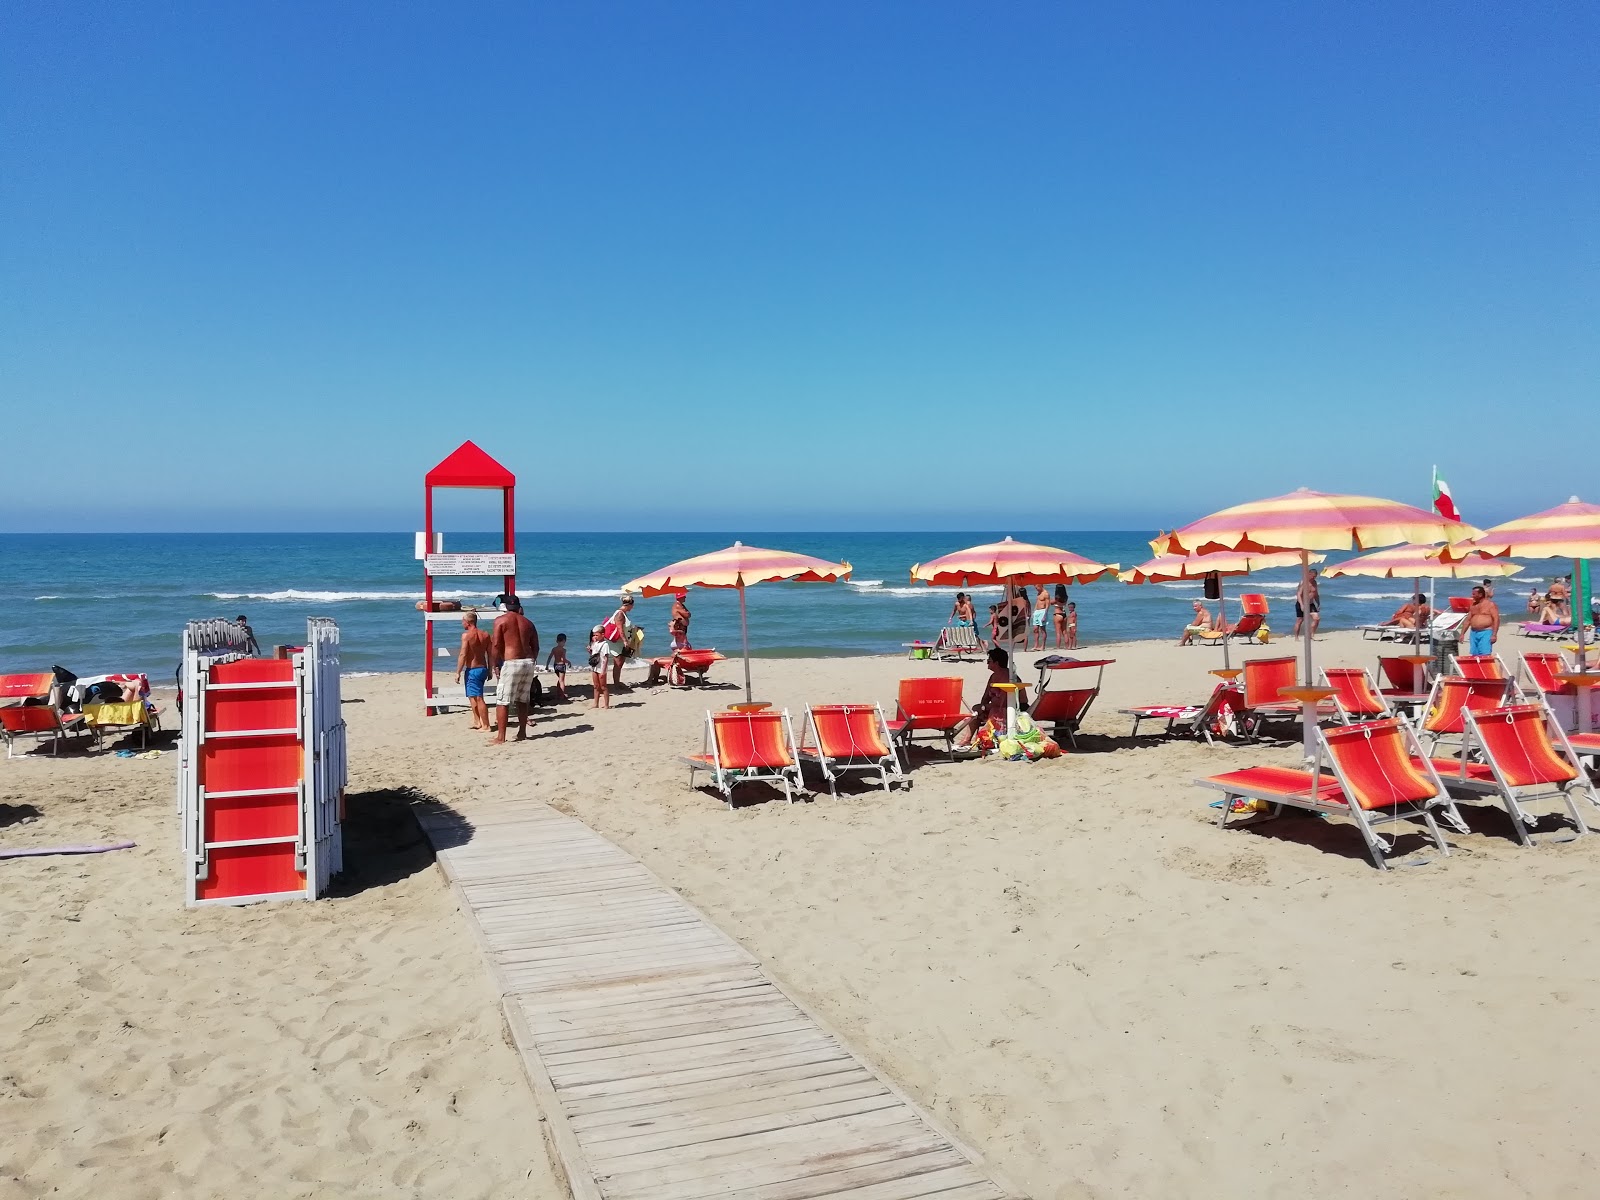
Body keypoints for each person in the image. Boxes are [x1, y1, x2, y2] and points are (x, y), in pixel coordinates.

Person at [954, 648, 1029, 750]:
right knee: (976, 710)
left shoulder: (1008, 677)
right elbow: (985, 697)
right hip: (998, 707)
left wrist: (985, 707)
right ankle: (967, 739)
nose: (987, 663)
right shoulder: (993, 676)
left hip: (1014, 708)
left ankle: (987, 739)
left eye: (989, 661)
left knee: (991, 710)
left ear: (996, 663)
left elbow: (1004, 702)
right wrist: (982, 707)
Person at [489, 594, 538, 744]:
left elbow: (496, 645)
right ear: (518, 606)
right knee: (523, 699)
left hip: (511, 662)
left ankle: (501, 737)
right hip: (528, 662)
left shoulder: (500, 621)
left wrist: (495, 664)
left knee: (502, 700)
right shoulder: (528, 623)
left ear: (504, 606)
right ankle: (522, 732)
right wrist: (532, 660)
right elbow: (536, 647)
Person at [455, 610, 492, 730]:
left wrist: (458, 672)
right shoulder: (485, 635)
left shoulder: (466, 636)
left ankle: (486, 725)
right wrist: (490, 670)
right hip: (482, 668)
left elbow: (463, 654)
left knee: (479, 697)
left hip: (473, 669)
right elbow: (490, 654)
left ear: (468, 622)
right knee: (472, 696)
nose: (462, 623)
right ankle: (477, 721)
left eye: (463, 621)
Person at [605, 593, 639, 687]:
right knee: (618, 661)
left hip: (621, 641)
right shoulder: (620, 614)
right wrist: (625, 640)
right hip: (617, 641)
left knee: (621, 660)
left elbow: (624, 627)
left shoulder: (623, 613)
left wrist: (635, 628)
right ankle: (616, 683)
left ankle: (617, 681)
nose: (632, 607)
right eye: (632, 605)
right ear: (629, 604)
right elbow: (619, 628)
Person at [1463, 584, 1500, 657]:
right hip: (1473, 632)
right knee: (1474, 655)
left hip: (1486, 632)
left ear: (1480, 595)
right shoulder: (1473, 605)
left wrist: (1494, 635)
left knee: (1485, 654)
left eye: (1474, 594)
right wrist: (1462, 634)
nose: (1472, 595)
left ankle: (1486, 668)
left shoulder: (1490, 605)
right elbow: (1468, 620)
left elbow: (1496, 619)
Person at [1293, 569, 1321, 638]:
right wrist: (1302, 605)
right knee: (1300, 620)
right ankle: (1296, 637)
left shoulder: (1314, 583)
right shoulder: (1303, 582)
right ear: (1309, 574)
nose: (1314, 578)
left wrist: (1318, 603)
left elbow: (1315, 594)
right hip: (1301, 603)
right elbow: (1299, 594)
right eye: (1313, 576)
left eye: (1315, 577)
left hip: (1311, 604)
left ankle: (1311, 634)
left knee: (1317, 618)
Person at [587, 625, 610, 709]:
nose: (595, 637)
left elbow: (606, 658)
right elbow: (594, 655)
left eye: (597, 635)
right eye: (594, 635)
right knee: (596, 686)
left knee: (603, 686)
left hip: (601, 667)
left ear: (602, 635)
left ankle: (606, 704)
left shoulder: (605, 645)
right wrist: (589, 651)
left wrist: (603, 671)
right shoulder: (595, 643)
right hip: (595, 667)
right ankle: (596, 703)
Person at [544, 632, 571, 702]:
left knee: (559, 679)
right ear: (564, 641)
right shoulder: (563, 650)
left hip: (555, 666)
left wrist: (547, 665)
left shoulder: (554, 649)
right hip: (561, 666)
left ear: (557, 641)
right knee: (562, 681)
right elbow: (563, 659)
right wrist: (569, 662)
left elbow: (550, 657)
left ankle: (558, 693)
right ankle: (562, 695)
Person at [1029, 585, 1051, 650]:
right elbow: (1037, 602)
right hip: (1037, 611)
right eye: (1035, 588)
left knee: (1042, 629)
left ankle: (1043, 646)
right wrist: (1034, 612)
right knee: (1035, 629)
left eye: (1037, 588)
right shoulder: (1038, 593)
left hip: (1043, 611)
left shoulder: (1046, 593)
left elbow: (1047, 604)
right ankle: (1036, 645)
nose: (1036, 589)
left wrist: (1045, 615)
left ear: (1041, 586)